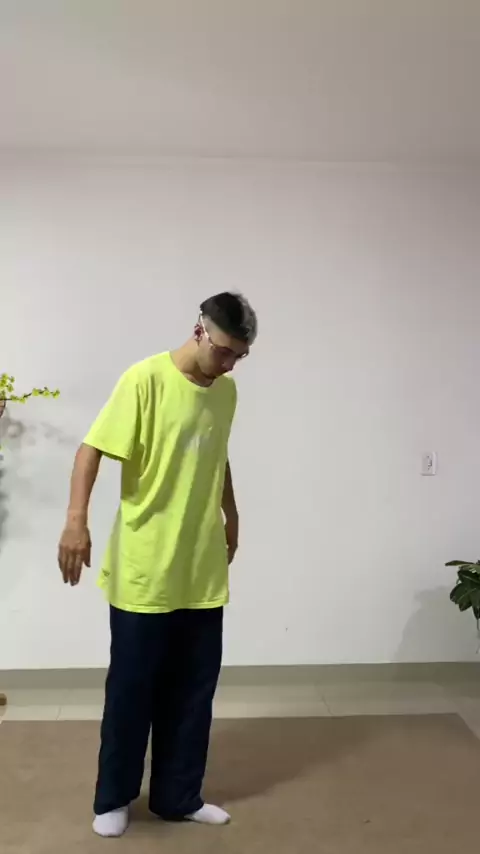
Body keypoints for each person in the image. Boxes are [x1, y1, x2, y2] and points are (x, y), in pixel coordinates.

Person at [57, 292, 257, 838]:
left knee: (193, 691)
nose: (229, 364)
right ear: (199, 331)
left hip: (201, 567)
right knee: (132, 690)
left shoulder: (226, 392)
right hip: (145, 568)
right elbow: (91, 449)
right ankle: (114, 797)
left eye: (240, 356)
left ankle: (178, 796)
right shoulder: (144, 380)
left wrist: (232, 513)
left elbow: (216, 454)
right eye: (224, 351)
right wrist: (76, 521)